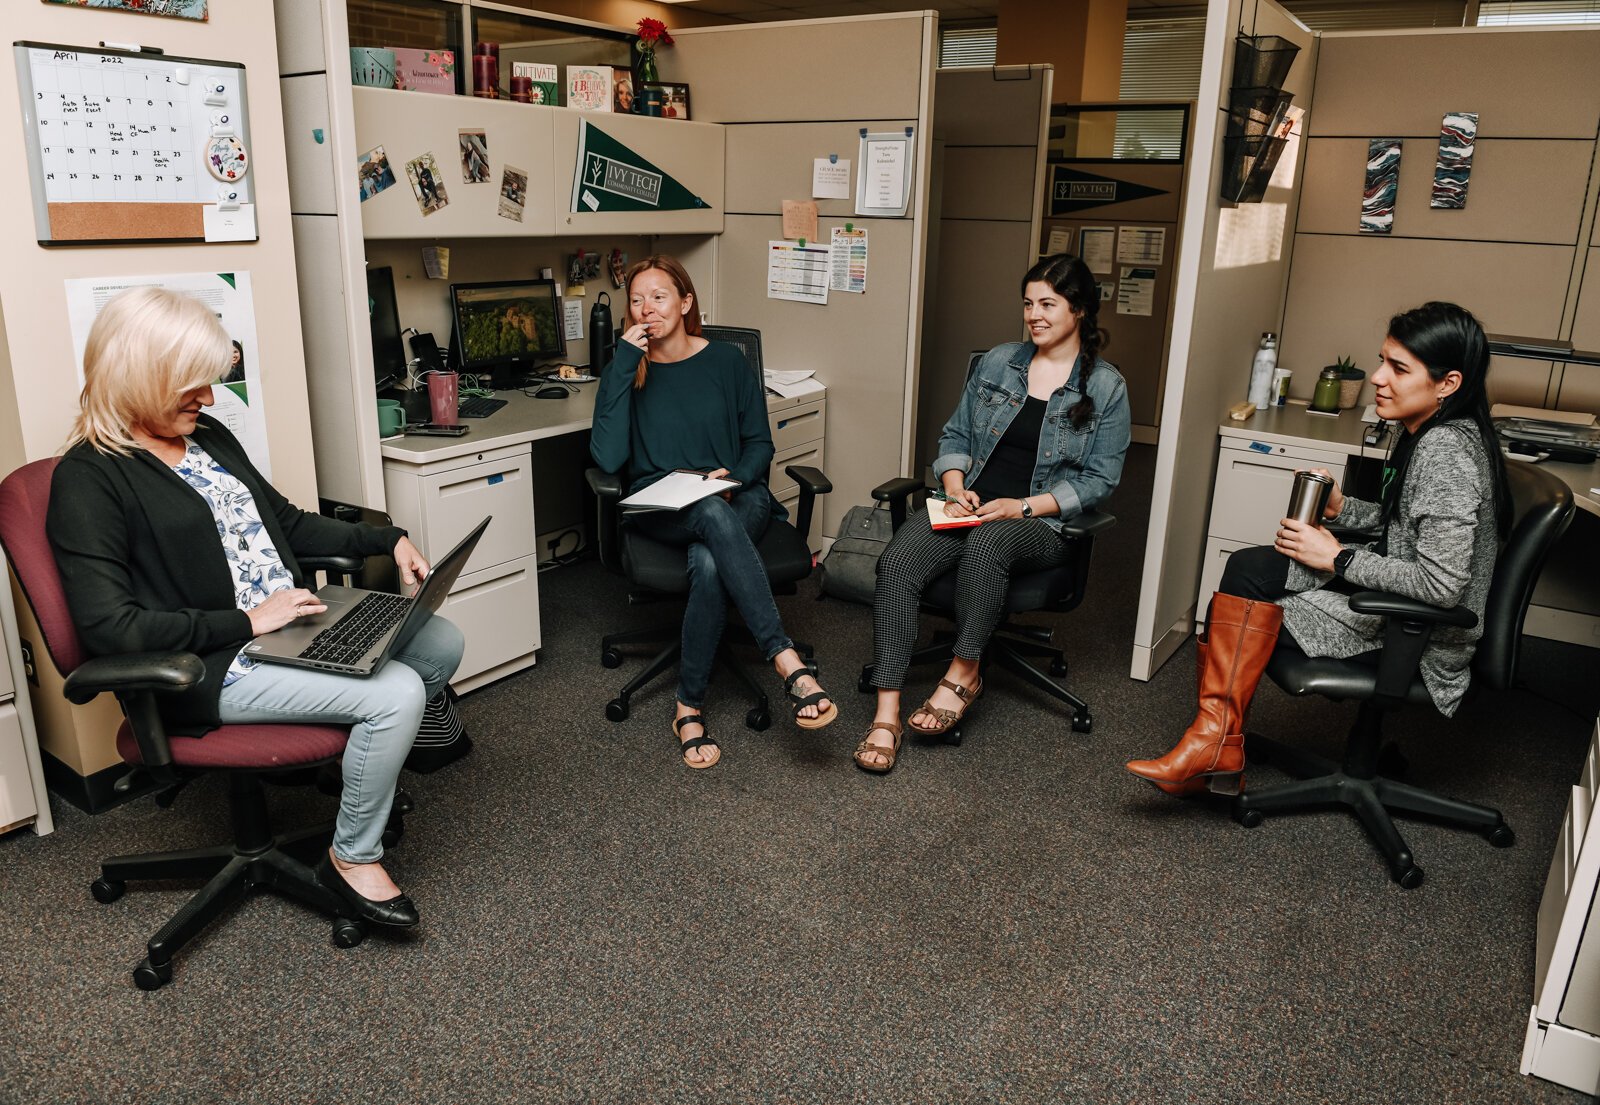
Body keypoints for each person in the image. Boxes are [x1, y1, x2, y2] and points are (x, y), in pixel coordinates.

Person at [47, 287, 464, 929]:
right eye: (191, 386)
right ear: (140, 376)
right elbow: (110, 627)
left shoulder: (205, 435)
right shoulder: (89, 478)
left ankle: (353, 769)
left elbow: (288, 526)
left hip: (289, 624)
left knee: (439, 644)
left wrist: (388, 538)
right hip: (209, 662)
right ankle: (351, 856)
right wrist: (247, 620)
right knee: (397, 693)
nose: (209, 400)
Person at [1126, 301, 1510, 795]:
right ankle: (1216, 740)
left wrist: (1338, 557)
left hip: (1419, 635)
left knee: (1242, 605)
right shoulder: (1440, 432)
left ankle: (1214, 741)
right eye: (1382, 360)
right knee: (1249, 568)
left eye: (1399, 368)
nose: (1377, 377)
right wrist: (1341, 507)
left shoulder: (1445, 452)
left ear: (1447, 384)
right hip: (1405, 605)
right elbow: (1406, 530)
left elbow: (1441, 584)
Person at [857, 253, 1132, 773]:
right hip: (971, 505)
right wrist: (956, 486)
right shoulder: (998, 362)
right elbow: (956, 436)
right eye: (1028, 303)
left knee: (989, 543)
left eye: (1048, 303)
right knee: (897, 564)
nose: (1034, 315)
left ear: (1078, 309)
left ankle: (964, 672)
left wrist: (1023, 506)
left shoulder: (1105, 387)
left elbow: (1099, 481)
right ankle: (886, 712)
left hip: (1039, 520)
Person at [590, 255, 835, 769]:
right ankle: (787, 662)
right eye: (636, 300)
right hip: (661, 503)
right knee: (709, 521)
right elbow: (609, 459)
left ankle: (688, 705)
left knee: (707, 560)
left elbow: (758, 443)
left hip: (735, 494)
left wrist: (735, 478)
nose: (646, 309)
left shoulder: (727, 362)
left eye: (658, 297)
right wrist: (617, 368)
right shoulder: (626, 370)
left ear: (685, 302)